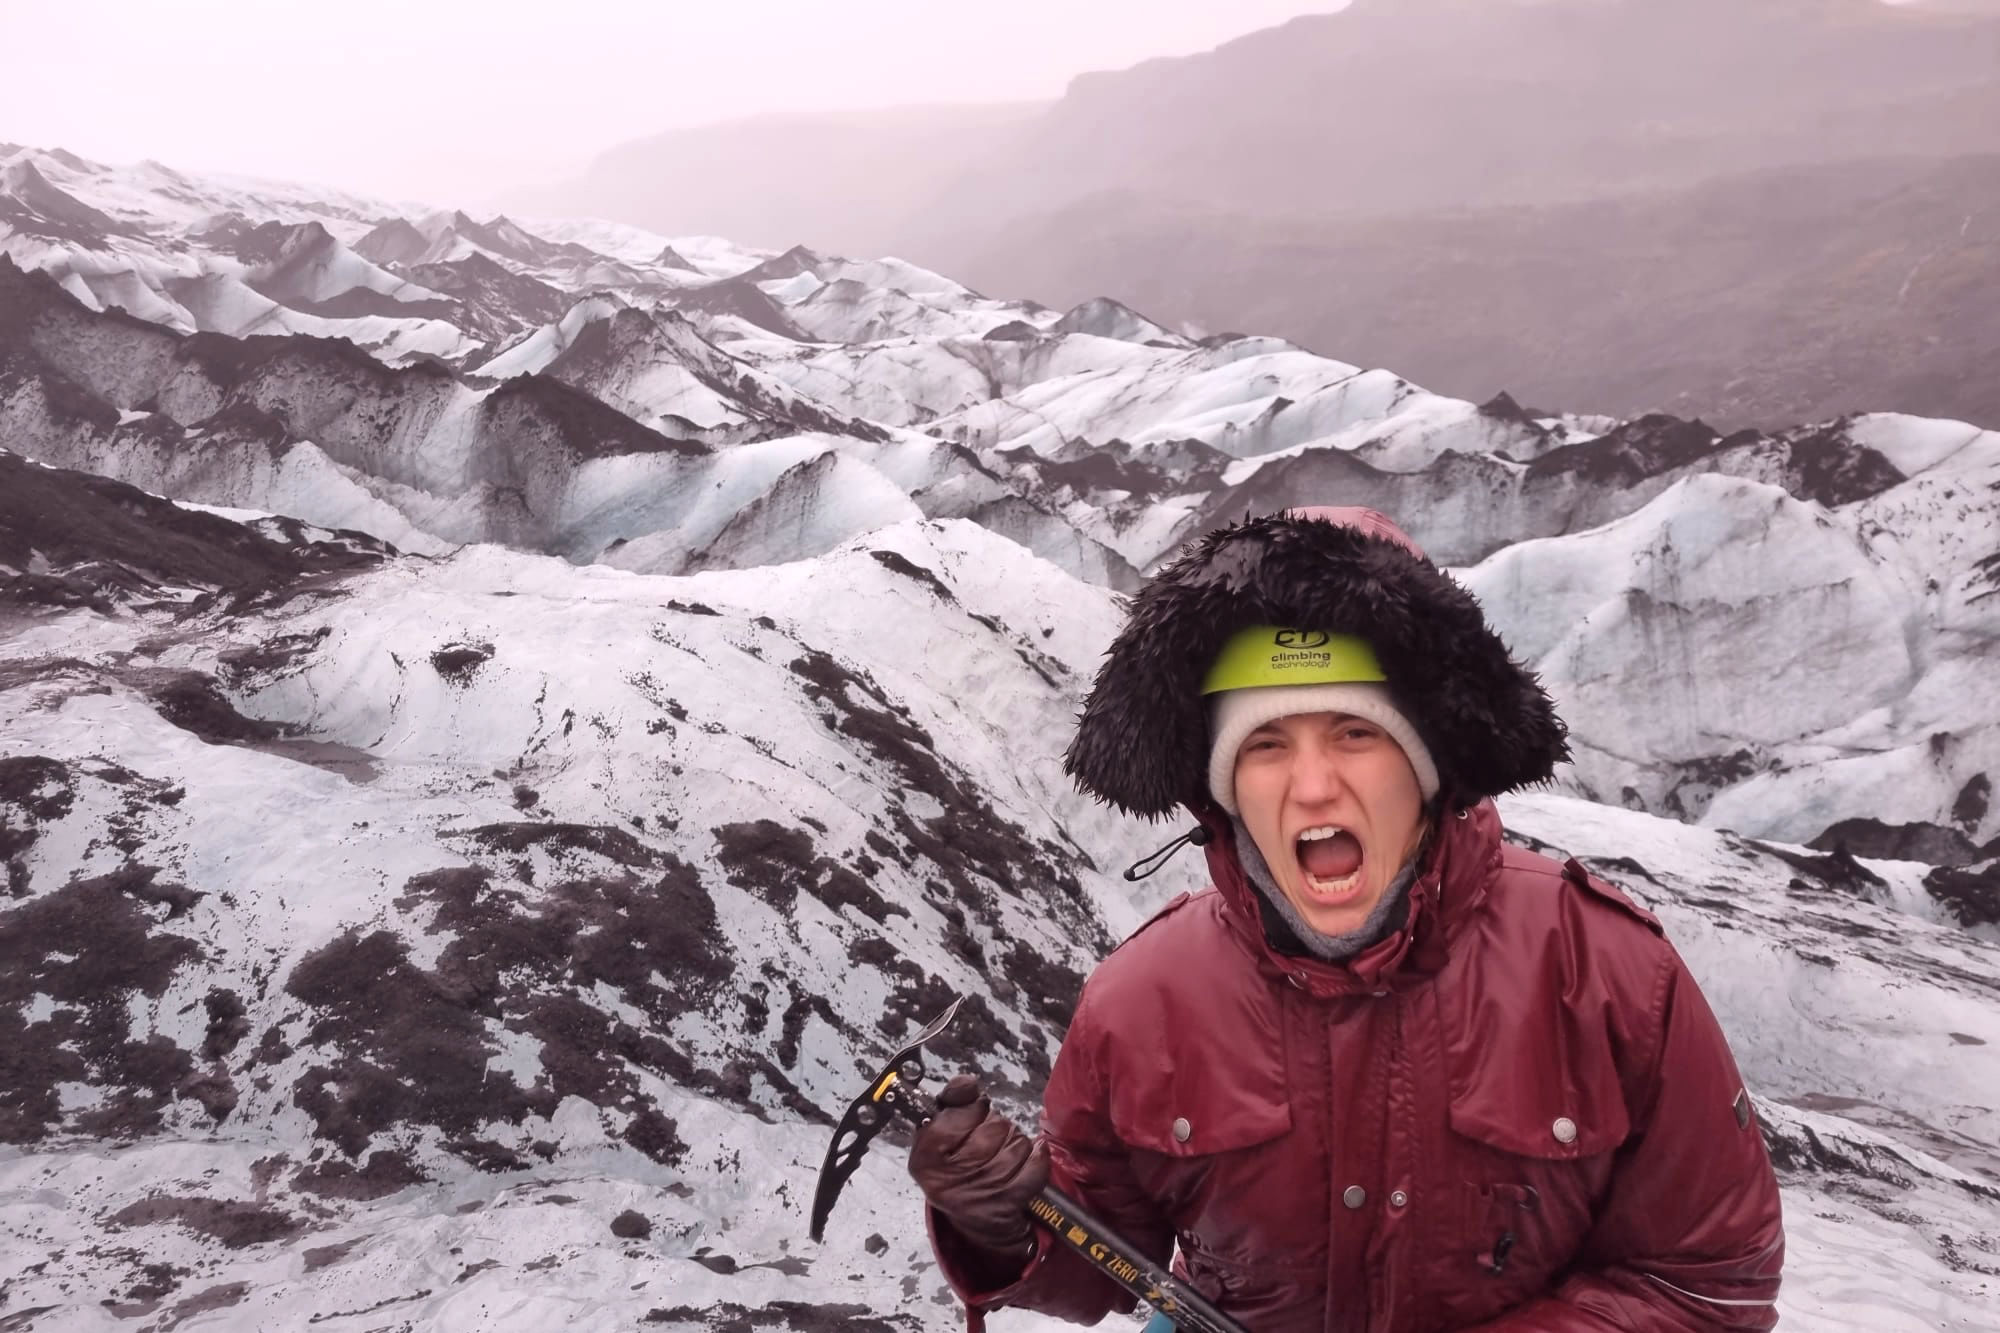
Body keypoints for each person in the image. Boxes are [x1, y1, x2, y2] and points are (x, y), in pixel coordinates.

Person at [908, 506, 1785, 1332]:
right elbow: (1109, 1258)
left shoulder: (1607, 975)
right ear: (1224, 793)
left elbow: (1704, 1280)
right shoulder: (1140, 1003)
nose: (1314, 784)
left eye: (1356, 734)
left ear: (1428, 766)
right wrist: (1005, 1227)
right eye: (1265, 744)